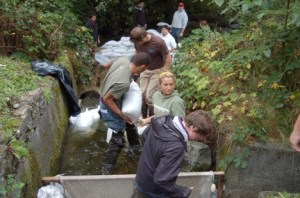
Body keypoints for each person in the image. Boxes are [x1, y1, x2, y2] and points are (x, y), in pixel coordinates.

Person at [132, 110, 216, 197]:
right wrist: (183, 192)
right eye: (199, 136)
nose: (198, 139)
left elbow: (144, 137)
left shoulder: (164, 120)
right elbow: (162, 181)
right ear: (192, 127)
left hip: (140, 179)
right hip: (153, 192)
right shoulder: (176, 146)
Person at [98, 52, 151, 174]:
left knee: (130, 124)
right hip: (108, 106)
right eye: (145, 68)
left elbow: (106, 64)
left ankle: (135, 149)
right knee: (118, 139)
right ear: (142, 66)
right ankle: (106, 169)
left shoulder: (123, 59)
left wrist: (100, 79)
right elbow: (107, 99)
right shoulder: (123, 83)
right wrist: (122, 115)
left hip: (114, 98)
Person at [130, 27, 172, 118]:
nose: (137, 44)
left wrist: (167, 72)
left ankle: (151, 118)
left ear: (143, 37)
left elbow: (167, 56)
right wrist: (136, 69)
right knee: (141, 94)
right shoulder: (137, 43)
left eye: (138, 41)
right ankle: (144, 117)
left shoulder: (158, 42)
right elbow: (137, 53)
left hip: (157, 70)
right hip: (144, 70)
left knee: (150, 96)